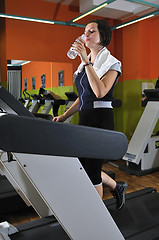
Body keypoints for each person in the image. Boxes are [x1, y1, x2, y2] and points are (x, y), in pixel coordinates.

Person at [53, 19, 127, 210]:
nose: (86, 35)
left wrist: (86, 61)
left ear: (103, 36)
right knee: (81, 164)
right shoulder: (83, 67)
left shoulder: (112, 63)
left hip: (100, 120)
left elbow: (100, 91)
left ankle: (97, 218)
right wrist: (64, 116)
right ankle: (117, 186)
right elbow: (82, 97)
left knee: (92, 171)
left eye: (91, 32)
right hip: (85, 119)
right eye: (85, 31)